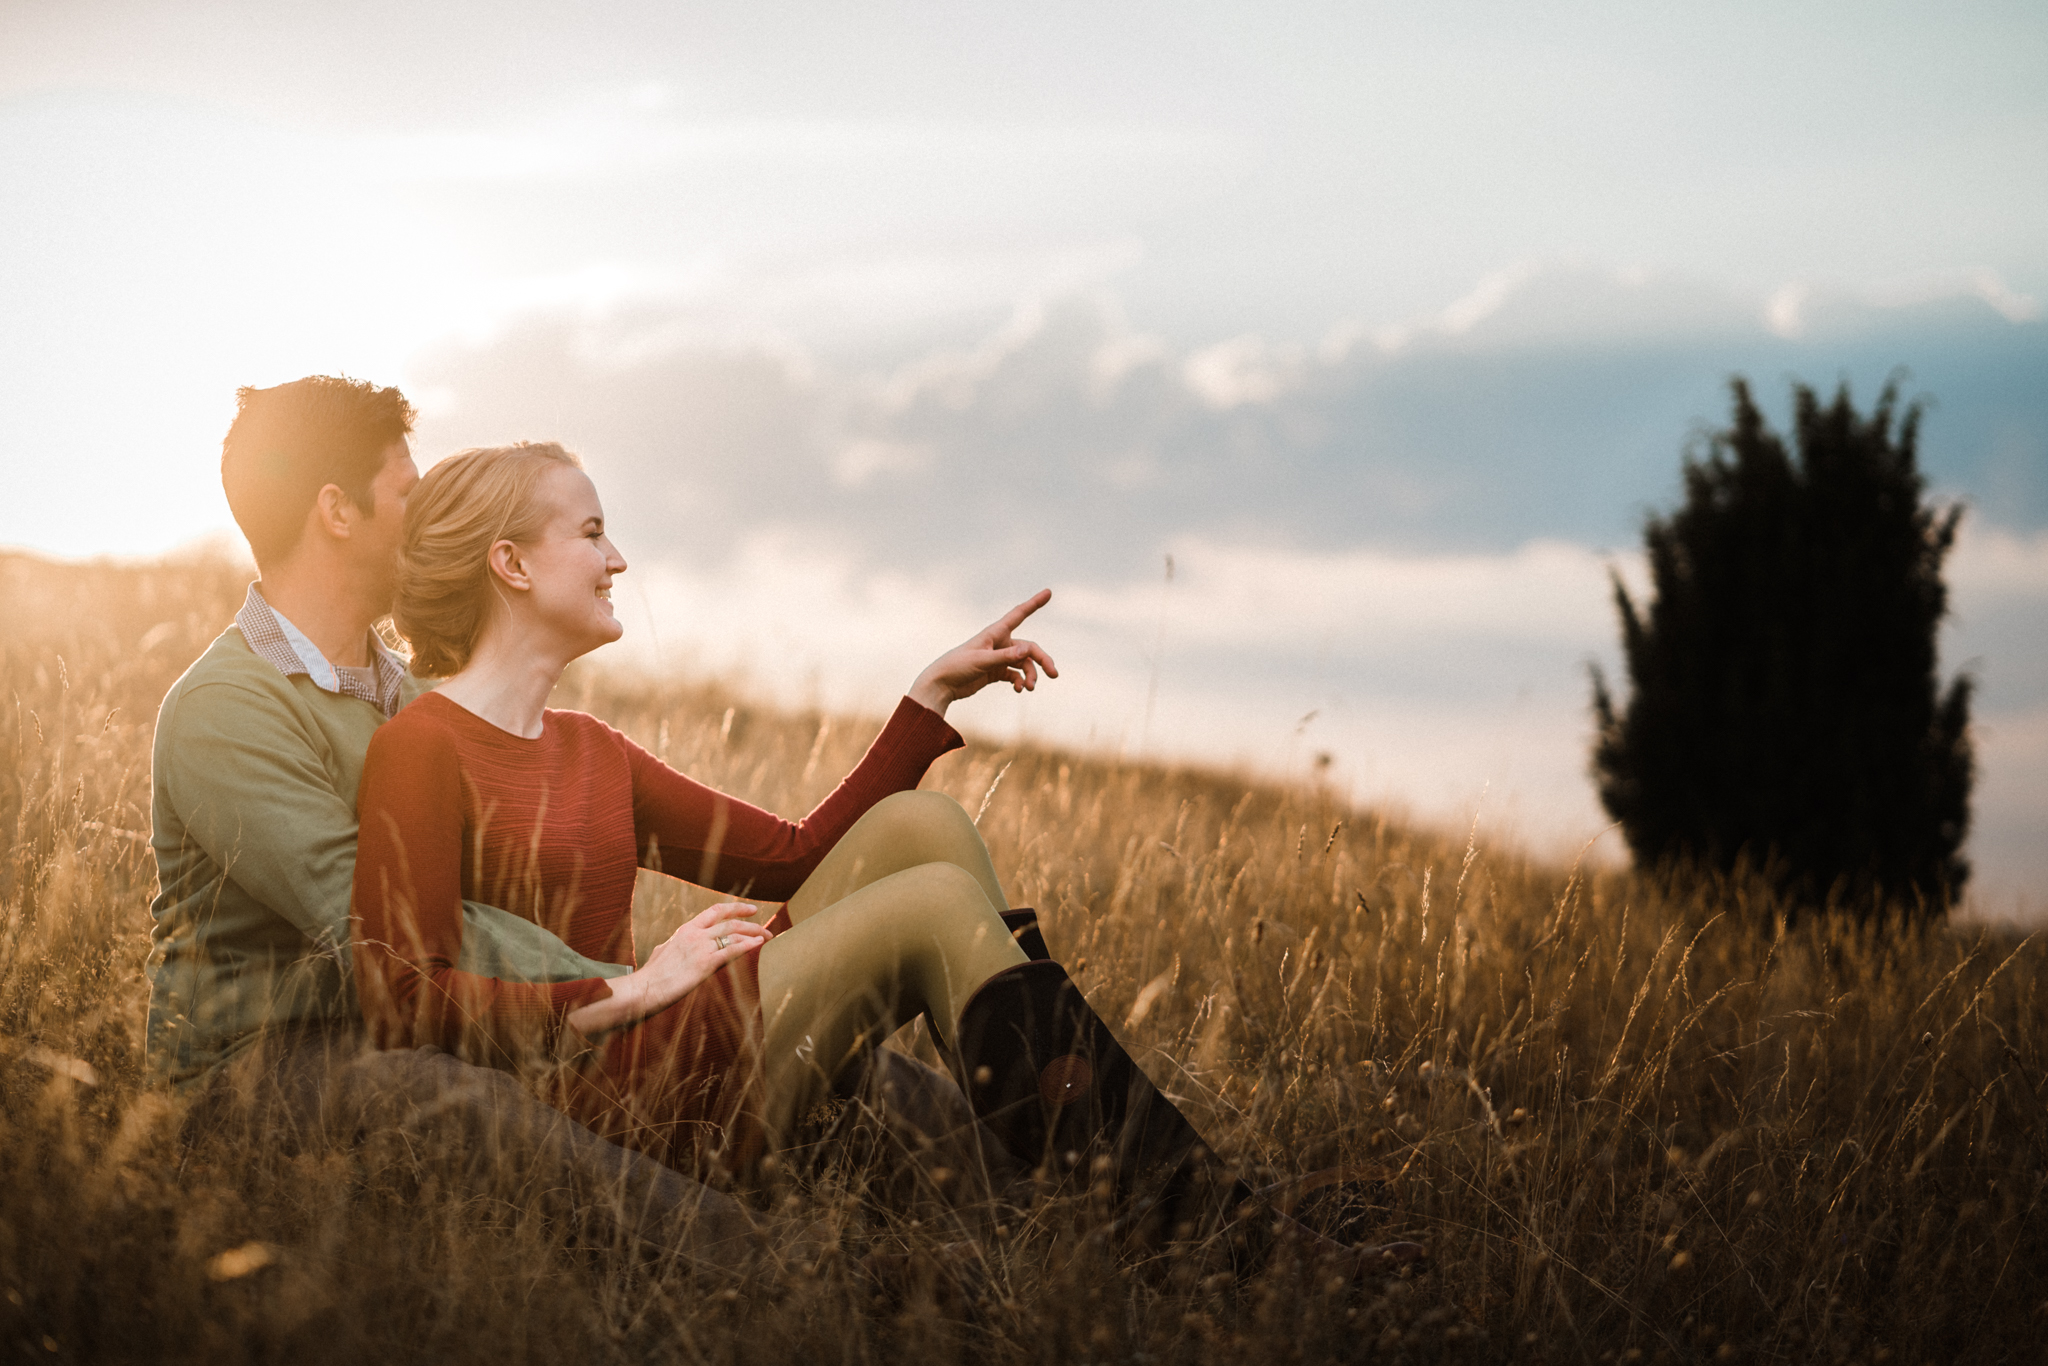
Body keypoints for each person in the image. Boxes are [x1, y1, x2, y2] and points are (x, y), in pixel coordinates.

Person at [352, 439, 1425, 1276]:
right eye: (590, 531)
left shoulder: (592, 748)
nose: (619, 556)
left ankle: (1162, 1203)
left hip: (669, 1041)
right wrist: (624, 991)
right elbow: (397, 995)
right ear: (509, 561)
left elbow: (791, 857)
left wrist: (927, 700)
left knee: (922, 838)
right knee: (920, 908)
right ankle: (1220, 1239)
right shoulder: (420, 751)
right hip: (600, 1096)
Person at [145, 376, 870, 1271]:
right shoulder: (226, 708)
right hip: (254, 1066)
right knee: (455, 1095)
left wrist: (659, 997)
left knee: (785, 1038)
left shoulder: (411, 701)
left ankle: (1014, 1172)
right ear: (337, 509)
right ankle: (771, 1267)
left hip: (418, 1023)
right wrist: (620, 988)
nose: (429, 510)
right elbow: (366, 922)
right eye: (407, 492)